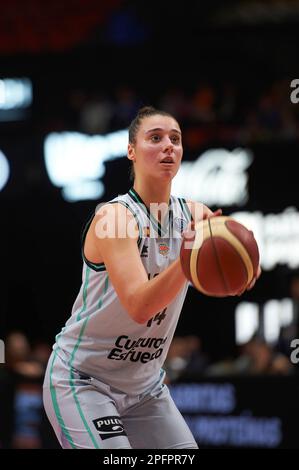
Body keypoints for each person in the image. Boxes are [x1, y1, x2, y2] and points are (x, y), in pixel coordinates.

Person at [43, 106, 260, 449]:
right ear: (131, 150)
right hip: (83, 381)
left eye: (175, 139)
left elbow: (232, 262)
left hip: (145, 389)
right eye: (155, 138)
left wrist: (244, 266)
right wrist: (188, 257)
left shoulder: (194, 214)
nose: (168, 146)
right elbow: (139, 306)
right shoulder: (114, 219)